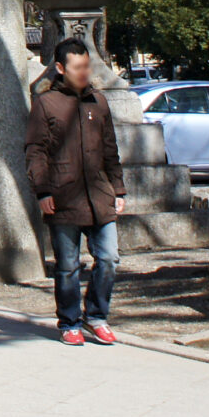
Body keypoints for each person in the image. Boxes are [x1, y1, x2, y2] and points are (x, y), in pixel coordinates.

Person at [27, 36, 124, 345]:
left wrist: (118, 189)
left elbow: (111, 149)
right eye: (78, 67)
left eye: (87, 66)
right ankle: (69, 321)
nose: (84, 72)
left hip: (99, 196)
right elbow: (35, 152)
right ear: (60, 68)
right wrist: (42, 191)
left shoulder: (98, 101)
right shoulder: (46, 104)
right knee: (68, 266)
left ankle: (96, 315)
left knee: (108, 258)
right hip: (62, 197)